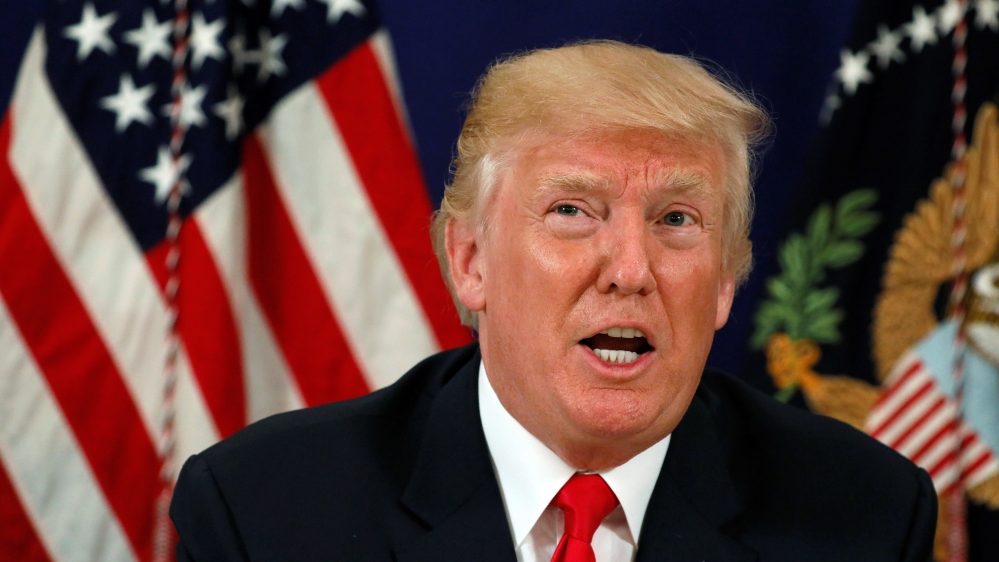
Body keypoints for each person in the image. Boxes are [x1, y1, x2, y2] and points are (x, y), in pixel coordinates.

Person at [170, 41, 936, 561]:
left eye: (676, 220)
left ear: (725, 283)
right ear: (469, 262)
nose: (630, 270)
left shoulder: (863, 517)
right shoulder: (265, 513)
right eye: (573, 212)